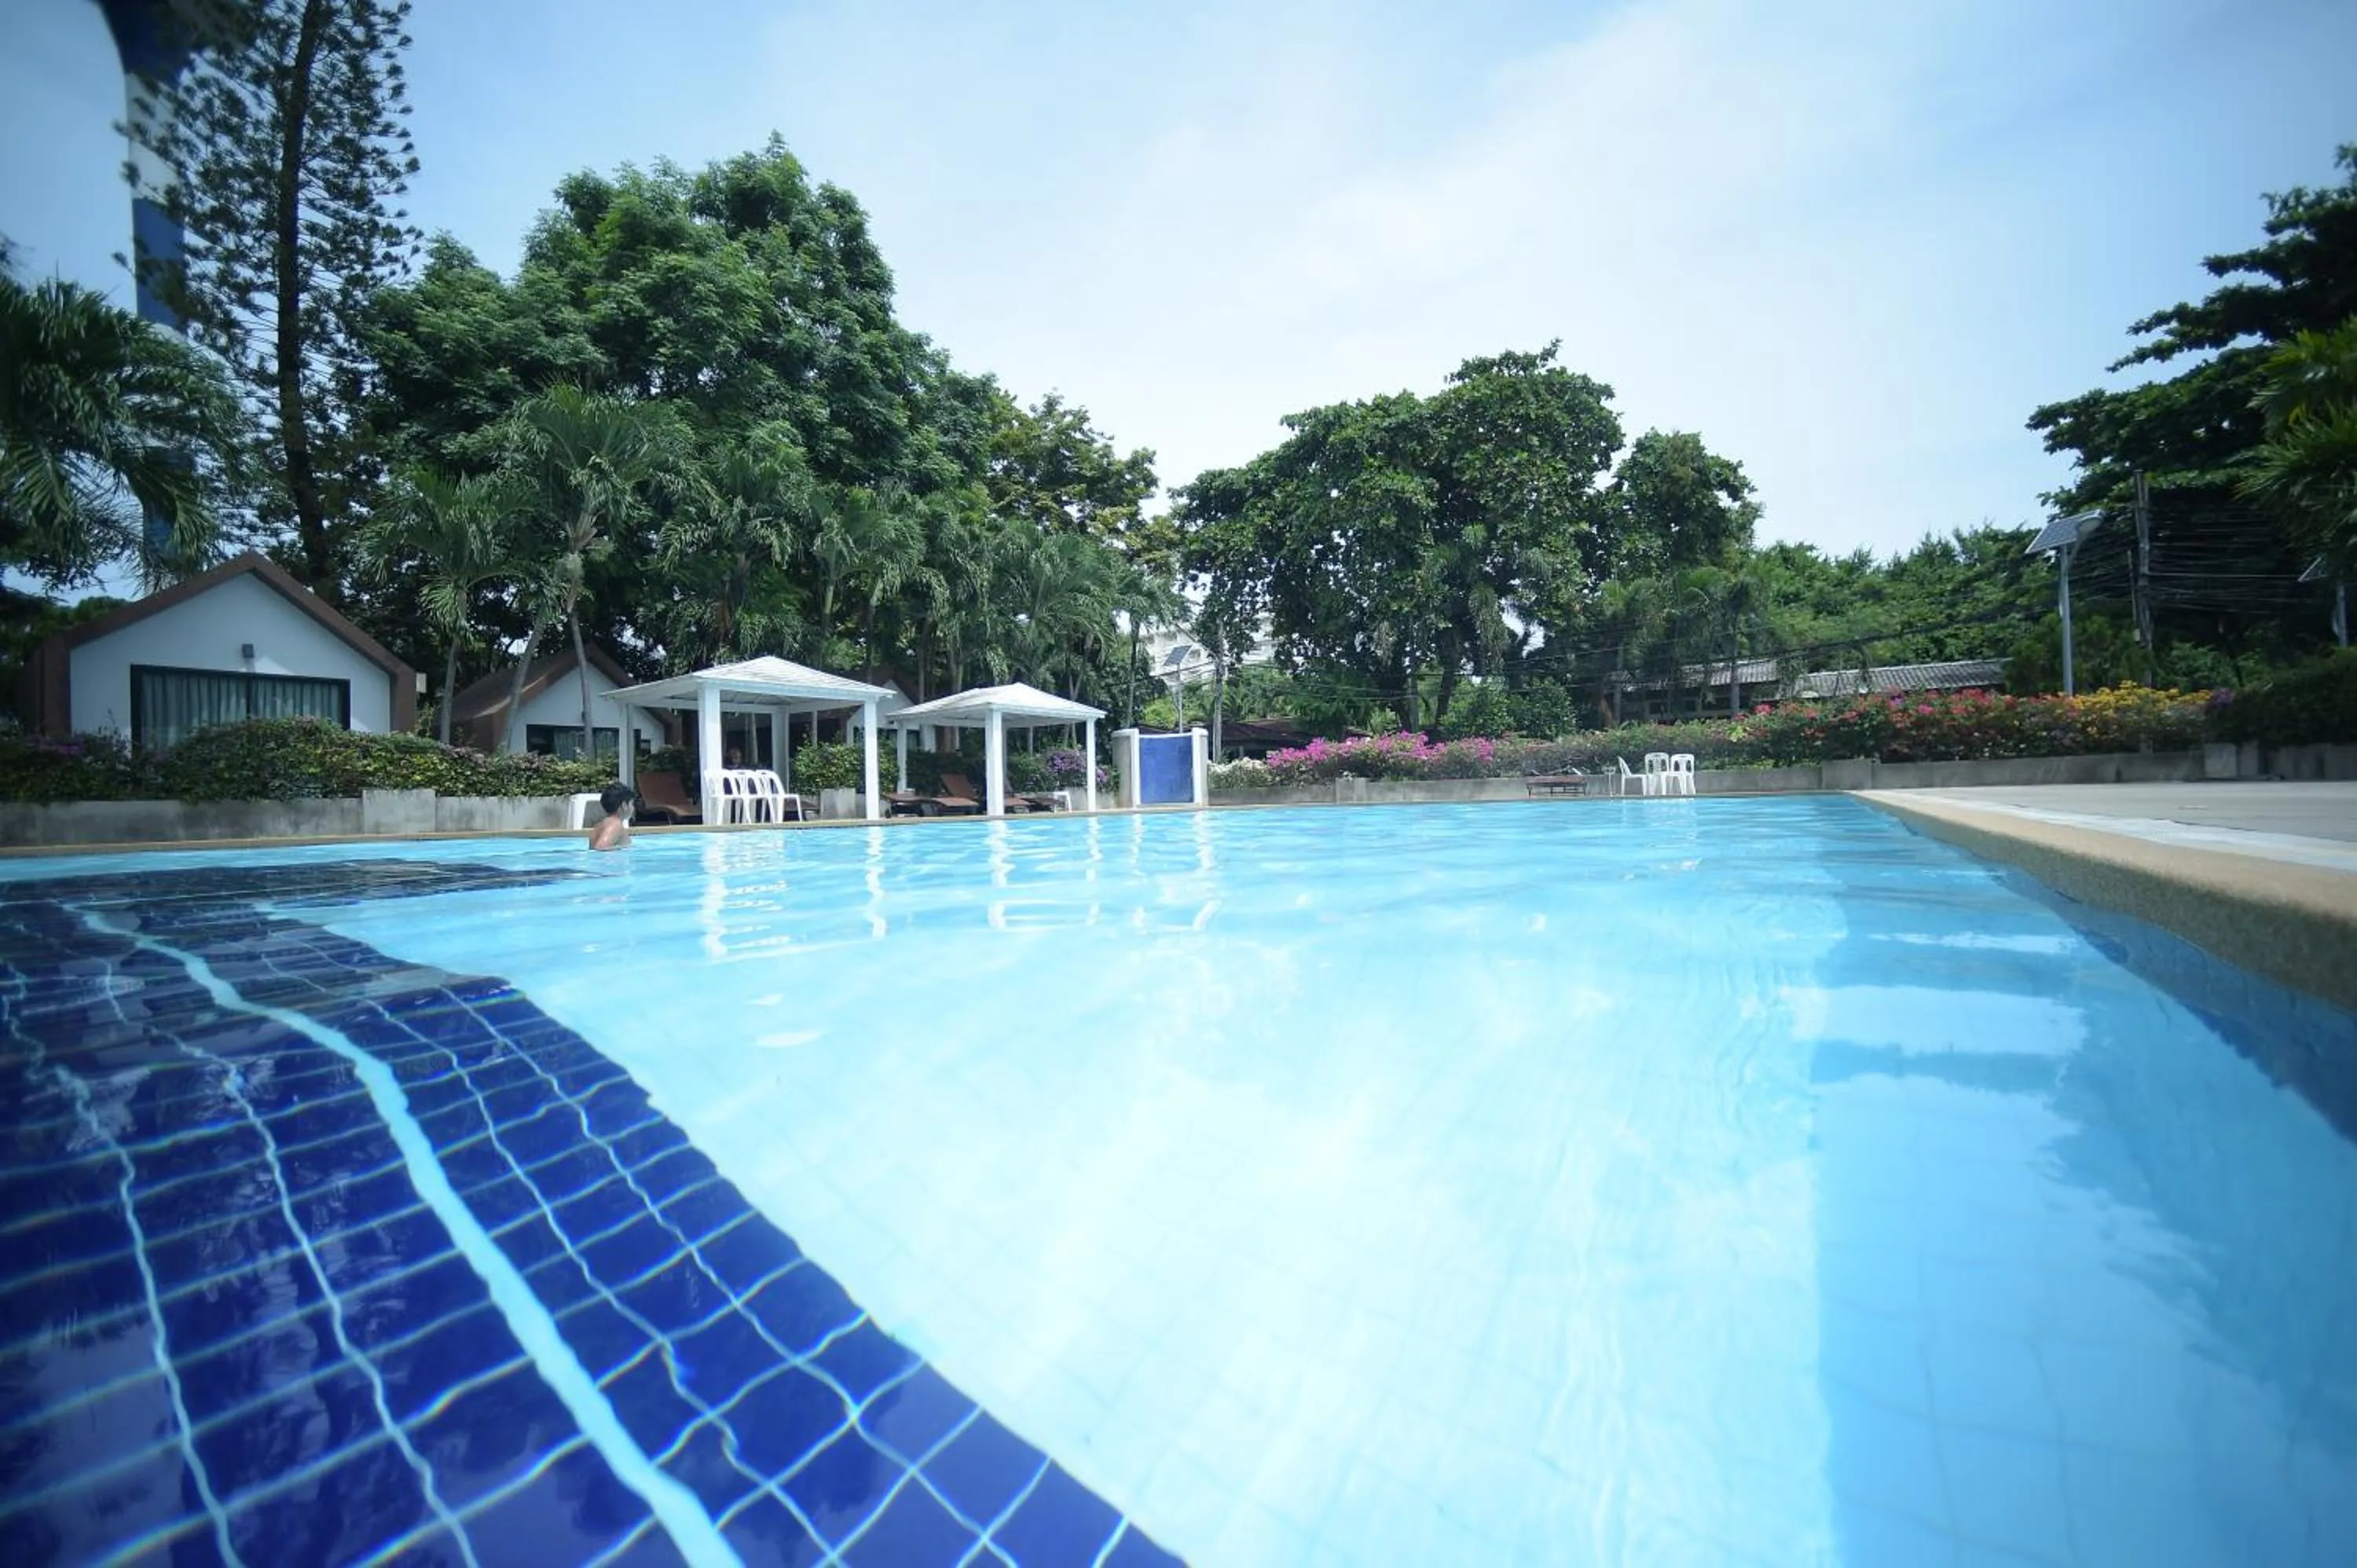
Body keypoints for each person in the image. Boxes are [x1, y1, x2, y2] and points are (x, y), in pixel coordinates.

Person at [588, 782, 634, 851]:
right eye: (631, 804)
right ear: (624, 805)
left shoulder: (600, 825)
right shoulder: (615, 825)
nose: (633, 808)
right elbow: (601, 847)